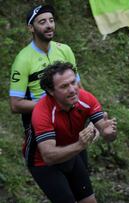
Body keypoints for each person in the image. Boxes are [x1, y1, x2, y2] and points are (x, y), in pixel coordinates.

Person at [8, 4, 94, 167]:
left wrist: (92, 114)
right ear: (30, 28)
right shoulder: (23, 60)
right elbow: (15, 104)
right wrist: (51, 107)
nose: (49, 25)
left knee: (82, 179)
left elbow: (79, 89)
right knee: (56, 181)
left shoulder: (65, 50)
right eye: (42, 22)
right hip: (44, 127)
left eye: (51, 20)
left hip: (71, 123)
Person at [27, 61, 117, 202]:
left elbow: (106, 132)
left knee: (89, 200)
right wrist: (80, 145)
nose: (72, 89)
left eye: (73, 82)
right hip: (42, 163)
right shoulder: (42, 111)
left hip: (71, 152)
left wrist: (108, 132)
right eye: (64, 86)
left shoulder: (86, 98)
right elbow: (48, 156)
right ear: (51, 91)